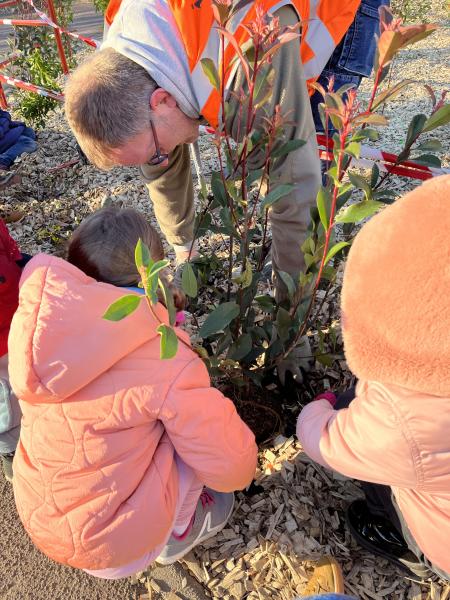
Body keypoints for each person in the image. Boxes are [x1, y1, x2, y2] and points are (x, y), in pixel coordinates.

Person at [8, 207, 258, 577]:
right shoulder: (165, 360)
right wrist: (244, 470)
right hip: (115, 549)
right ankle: (179, 533)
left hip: (40, 514)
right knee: (191, 442)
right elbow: (230, 463)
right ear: (154, 276)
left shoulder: (37, 330)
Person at [64, 0, 361, 283]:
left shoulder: (251, 60)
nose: (159, 160)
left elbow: (294, 180)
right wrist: (184, 248)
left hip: (322, 14)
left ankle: (307, 271)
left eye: (155, 154)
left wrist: (289, 320)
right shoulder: (121, 47)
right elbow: (159, 163)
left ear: (163, 99)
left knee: (313, 154)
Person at [296, 175, 450, 581]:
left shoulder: (405, 423)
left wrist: (323, 404)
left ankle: (407, 547)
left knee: (380, 479)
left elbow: (325, 442)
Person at [0, 219, 30, 481]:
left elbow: (6, 245)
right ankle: (10, 448)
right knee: (4, 397)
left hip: (16, 317)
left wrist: (20, 260)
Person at [0, 109, 37, 183]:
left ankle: (14, 148)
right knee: (29, 143)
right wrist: (5, 121)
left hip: (4, 131)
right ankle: (2, 160)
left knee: (29, 132)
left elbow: (4, 115)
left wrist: (13, 124)